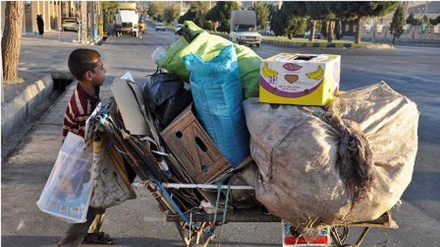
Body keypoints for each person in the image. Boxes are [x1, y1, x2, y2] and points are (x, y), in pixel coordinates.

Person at [57, 48, 112, 246]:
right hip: (78, 158)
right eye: (101, 68)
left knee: (100, 193)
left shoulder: (90, 91)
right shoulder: (82, 106)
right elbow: (88, 136)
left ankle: (93, 232)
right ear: (89, 75)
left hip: (85, 153)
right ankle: (68, 243)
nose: (104, 71)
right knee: (87, 202)